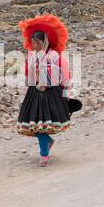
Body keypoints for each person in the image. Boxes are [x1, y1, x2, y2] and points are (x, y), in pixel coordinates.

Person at [17, 15, 72, 167]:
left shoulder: (55, 56)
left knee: (41, 127)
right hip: (35, 93)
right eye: (33, 42)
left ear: (44, 41)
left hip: (51, 94)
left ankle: (44, 155)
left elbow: (65, 74)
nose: (34, 45)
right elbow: (28, 74)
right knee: (32, 125)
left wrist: (66, 93)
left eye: (38, 42)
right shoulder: (31, 56)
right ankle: (47, 142)